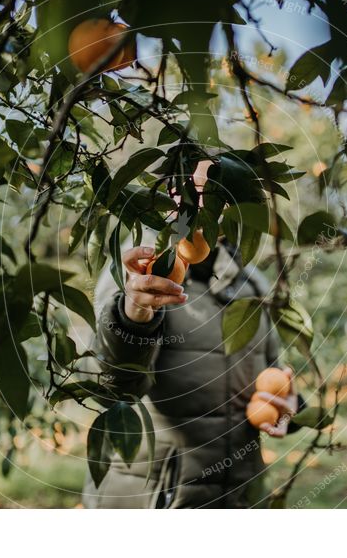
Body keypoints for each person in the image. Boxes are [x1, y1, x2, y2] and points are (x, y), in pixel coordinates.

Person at [81, 168, 303, 509]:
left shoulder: (252, 283)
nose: (199, 203)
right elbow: (112, 387)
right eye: (189, 189)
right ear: (168, 196)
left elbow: (273, 375)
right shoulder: (140, 273)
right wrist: (135, 314)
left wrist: (288, 411)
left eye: (216, 193)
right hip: (156, 499)